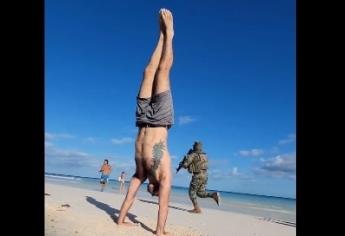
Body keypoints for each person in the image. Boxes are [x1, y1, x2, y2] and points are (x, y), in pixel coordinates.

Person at [116, 8, 175, 236]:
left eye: (149, 193)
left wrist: (121, 220)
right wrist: (160, 231)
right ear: (158, 190)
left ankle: (160, 35)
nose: (151, 193)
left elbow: (130, 195)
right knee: (162, 71)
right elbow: (164, 205)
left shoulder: (139, 174)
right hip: (160, 119)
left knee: (148, 70)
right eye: (154, 193)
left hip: (141, 119)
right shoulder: (164, 175)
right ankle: (168, 35)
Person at [176, 141, 220, 213]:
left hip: (198, 176)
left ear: (194, 147)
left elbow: (185, 165)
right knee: (200, 193)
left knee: (191, 193)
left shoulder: (193, 155)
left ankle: (197, 209)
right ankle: (213, 195)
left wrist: (183, 163)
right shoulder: (204, 155)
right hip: (205, 176)